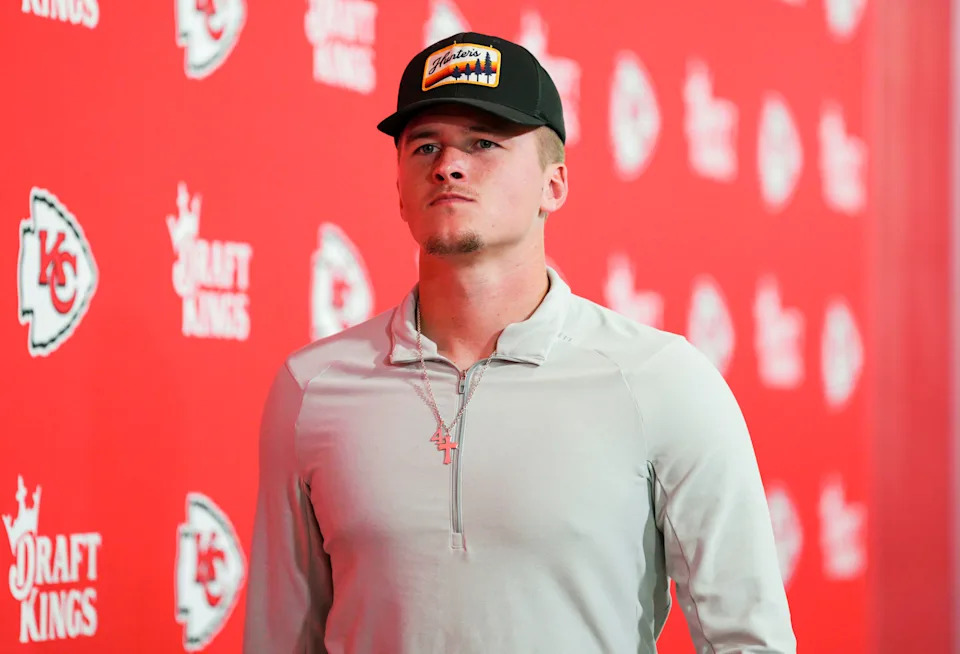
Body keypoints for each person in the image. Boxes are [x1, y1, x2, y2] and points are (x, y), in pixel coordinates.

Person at [243, 31, 796, 654]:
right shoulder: (311, 388)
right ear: (399, 187)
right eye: (425, 145)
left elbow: (748, 640)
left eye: (485, 143)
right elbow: (279, 637)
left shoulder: (662, 381)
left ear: (553, 185)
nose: (448, 164)